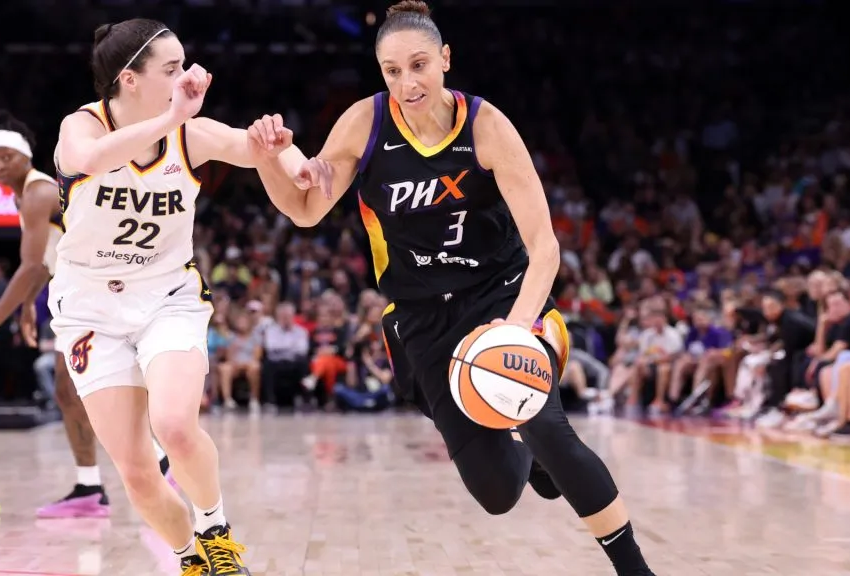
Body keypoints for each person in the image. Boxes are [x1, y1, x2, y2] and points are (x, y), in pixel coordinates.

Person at [246, 2, 656, 574]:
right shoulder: (365, 124)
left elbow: (546, 248)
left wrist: (516, 328)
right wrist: (269, 161)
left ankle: (635, 566)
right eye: (392, 70)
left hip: (501, 297)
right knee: (496, 494)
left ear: (444, 59)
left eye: (418, 65)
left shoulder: (487, 126)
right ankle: (529, 460)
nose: (407, 83)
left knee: (548, 426)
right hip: (421, 317)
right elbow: (306, 210)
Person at [50, 18, 304, 575]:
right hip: (90, 307)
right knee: (138, 474)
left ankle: (214, 526)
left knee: (175, 423)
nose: (186, 78)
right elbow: (90, 162)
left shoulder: (189, 133)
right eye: (171, 69)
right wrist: (170, 118)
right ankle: (190, 559)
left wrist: (290, 157)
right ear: (129, 79)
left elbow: (253, 148)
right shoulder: (80, 127)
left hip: (167, 295)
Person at [0, 114, 174, 518]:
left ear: (25, 157)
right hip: (79, 290)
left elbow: (31, 266)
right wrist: (26, 307)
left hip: (106, 287)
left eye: (6, 157)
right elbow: (45, 261)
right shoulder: (24, 196)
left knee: (82, 389)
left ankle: (157, 466)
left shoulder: (38, 192)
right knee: (68, 390)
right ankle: (93, 487)